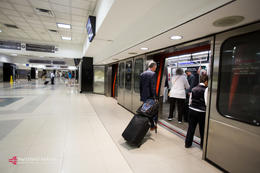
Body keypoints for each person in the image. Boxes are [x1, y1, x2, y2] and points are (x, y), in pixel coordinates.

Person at [185, 75, 208, 149]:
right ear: (206, 81)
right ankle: (202, 146)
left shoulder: (194, 88)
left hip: (192, 110)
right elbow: (206, 102)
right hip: (201, 112)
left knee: (191, 128)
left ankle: (187, 144)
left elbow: (190, 100)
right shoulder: (206, 89)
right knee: (202, 129)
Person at [140, 61, 157, 131]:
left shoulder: (142, 74)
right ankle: (152, 125)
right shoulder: (153, 74)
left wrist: (141, 95)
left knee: (145, 110)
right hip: (150, 96)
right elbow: (153, 87)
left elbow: (140, 86)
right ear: (153, 67)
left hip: (144, 95)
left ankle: (149, 125)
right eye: (155, 67)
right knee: (150, 111)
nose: (155, 69)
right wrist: (154, 97)